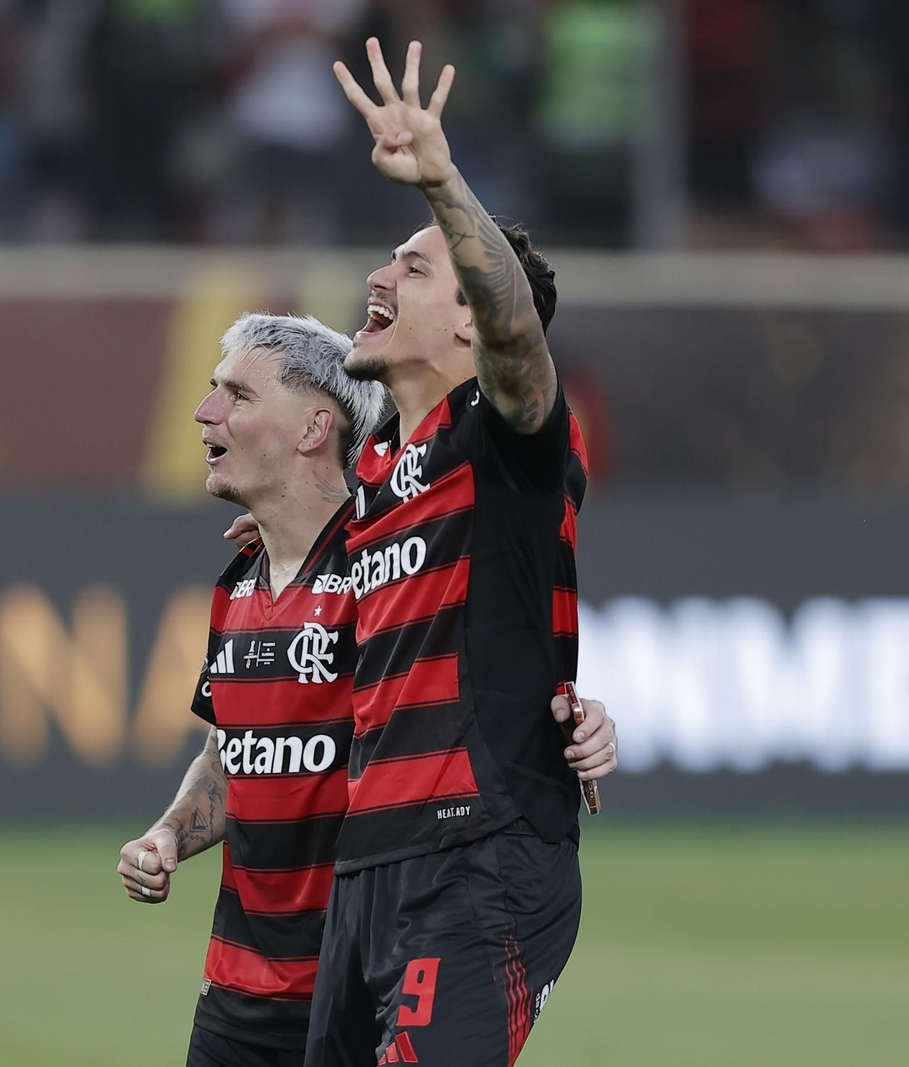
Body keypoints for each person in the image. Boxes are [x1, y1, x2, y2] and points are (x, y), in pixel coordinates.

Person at [116, 313, 618, 1067]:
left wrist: (578, 719)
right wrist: (168, 832)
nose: (204, 411)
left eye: (237, 394)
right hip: (236, 986)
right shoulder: (238, 587)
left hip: (359, 973)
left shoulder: (383, 573)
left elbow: (482, 674)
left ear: (316, 423)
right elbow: (236, 748)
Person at [301, 38, 606, 1067]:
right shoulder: (376, 470)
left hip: (480, 860)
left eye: (416, 264)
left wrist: (440, 178)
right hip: (367, 871)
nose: (380, 273)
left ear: (472, 324)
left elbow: (521, 341)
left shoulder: (501, 435)